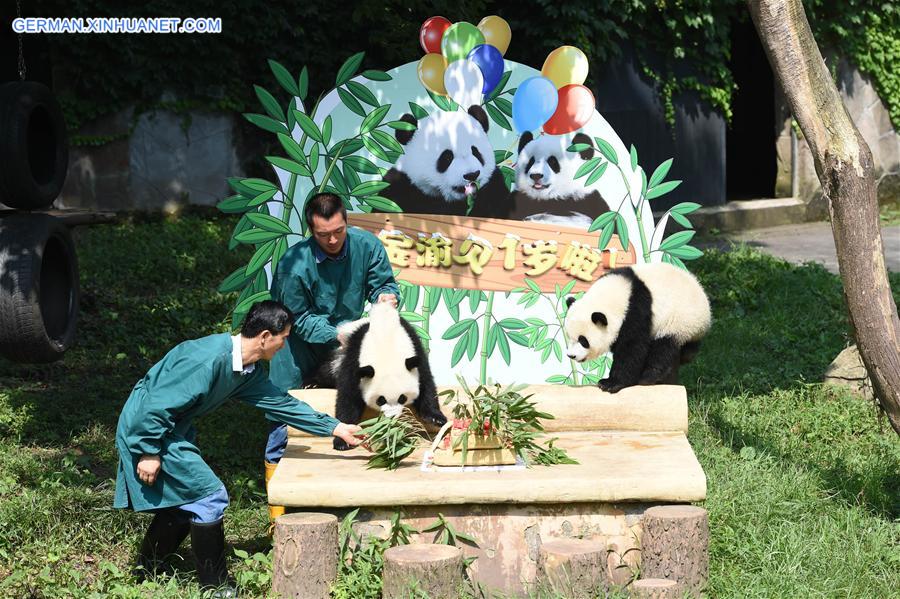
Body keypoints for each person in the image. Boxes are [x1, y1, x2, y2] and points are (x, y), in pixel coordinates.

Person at [114, 300, 364, 597]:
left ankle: (147, 570)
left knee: (185, 501)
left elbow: (281, 403)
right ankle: (215, 586)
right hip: (148, 428)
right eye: (284, 338)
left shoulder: (246, 370)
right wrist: (148, 451)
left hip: (171, 429)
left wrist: (336, 428)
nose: (284, 345)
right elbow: (156, 405)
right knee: (210, 495)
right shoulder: (207, 360)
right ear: (264, 337)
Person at [264, 192, 399, 517]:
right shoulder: (293, 266)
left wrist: (386, 299)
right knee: (285, 428)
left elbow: (385, 284)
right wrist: (338, 333)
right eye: (324, 235)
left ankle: (348, 508)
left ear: (345, 221)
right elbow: (296, 319)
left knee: (350, 418)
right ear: (311, 231)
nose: (334, 239)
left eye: (338, 230)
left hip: (344, 354)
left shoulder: (367, 246)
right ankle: (280, 517)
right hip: (298, 354)